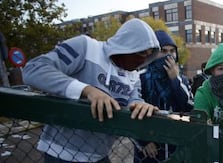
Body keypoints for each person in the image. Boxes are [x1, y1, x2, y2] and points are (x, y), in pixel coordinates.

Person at [22, 18, 161, 162]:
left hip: (99, 155)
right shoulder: (86, 47)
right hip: (61, 152)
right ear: (126, 46)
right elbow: (34, 69)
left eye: (149, 54)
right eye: (141, 52)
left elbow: (134, 99)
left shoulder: (134, 75)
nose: (144, 60)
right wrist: (87, 90)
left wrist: (140, 104)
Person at [134, 30, 193, 162]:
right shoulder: (140, 78)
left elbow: (188, 106)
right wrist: (143, 142)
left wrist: (175, 80)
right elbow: (131, 110)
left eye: (172, 51)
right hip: (149, 152)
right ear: (153, 53)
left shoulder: (181, 79)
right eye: (163, 51)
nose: (168, 55)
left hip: (175, 147)